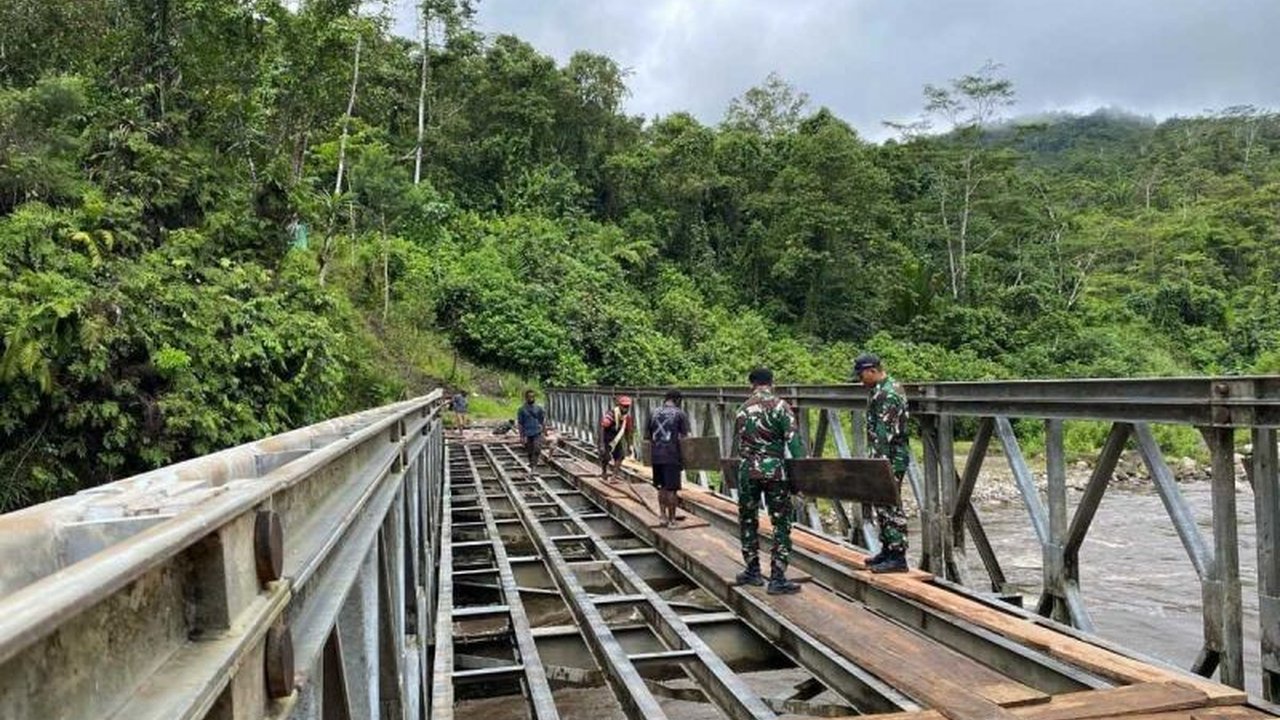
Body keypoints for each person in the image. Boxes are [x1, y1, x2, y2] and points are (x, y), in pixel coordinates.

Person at [733, 367, 805, 594]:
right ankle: (777, 577)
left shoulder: (742, 409)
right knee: (780, 522)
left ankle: (752, 570)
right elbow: (793, 442)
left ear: (751, 384)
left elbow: (740, 442)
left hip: (747, 471)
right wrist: (801, 475)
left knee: (747, 519)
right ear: (772, 383)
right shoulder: (781, 407)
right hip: (774, 471)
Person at [854, 353, 911, 573]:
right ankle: (888, 549)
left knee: (890, 504)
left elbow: (885, 434)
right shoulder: (881, 390)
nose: (860, 380)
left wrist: (879, 464)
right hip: (883, 456)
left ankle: (898, 556)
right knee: (882, 502)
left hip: (890, 457)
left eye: (861, 375)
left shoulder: (888, 394)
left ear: (872, 370)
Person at [646, 390, 691, 527]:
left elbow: (647, 437)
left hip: (656, 455)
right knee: (672, 489)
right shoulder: (680, 414)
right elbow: (685, 438)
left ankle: (662, 516)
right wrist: (685, 459)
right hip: (672, 456)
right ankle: (672, 521)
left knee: (662, 487)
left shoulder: (653, 413)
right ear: (677, 400)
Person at [599, 395, 636, 482]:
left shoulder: (627, 418)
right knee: (606, 457)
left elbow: (628, 433)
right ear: (619, 405)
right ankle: (604, 472)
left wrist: (630, 446)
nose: (626, 409)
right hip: (607, 438)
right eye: (624, 406)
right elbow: (602, 428)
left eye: (627, 407)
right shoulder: (611, 414)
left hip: (616, 439)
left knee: (620, 456)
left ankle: (614, 476)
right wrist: (601, 444)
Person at [516, 390, 548, 470]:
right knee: (529, 451)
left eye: (532, 397)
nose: (531, 398)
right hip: (527, 432)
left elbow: (542, 421)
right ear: (526, 398)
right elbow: (520, 423)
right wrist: (521, 436)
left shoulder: (539, 408)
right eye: (529, 397)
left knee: (537, 448)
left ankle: (534, 467)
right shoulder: (522, 409)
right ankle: (531, 463)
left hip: (537, 431)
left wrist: (545, 432)